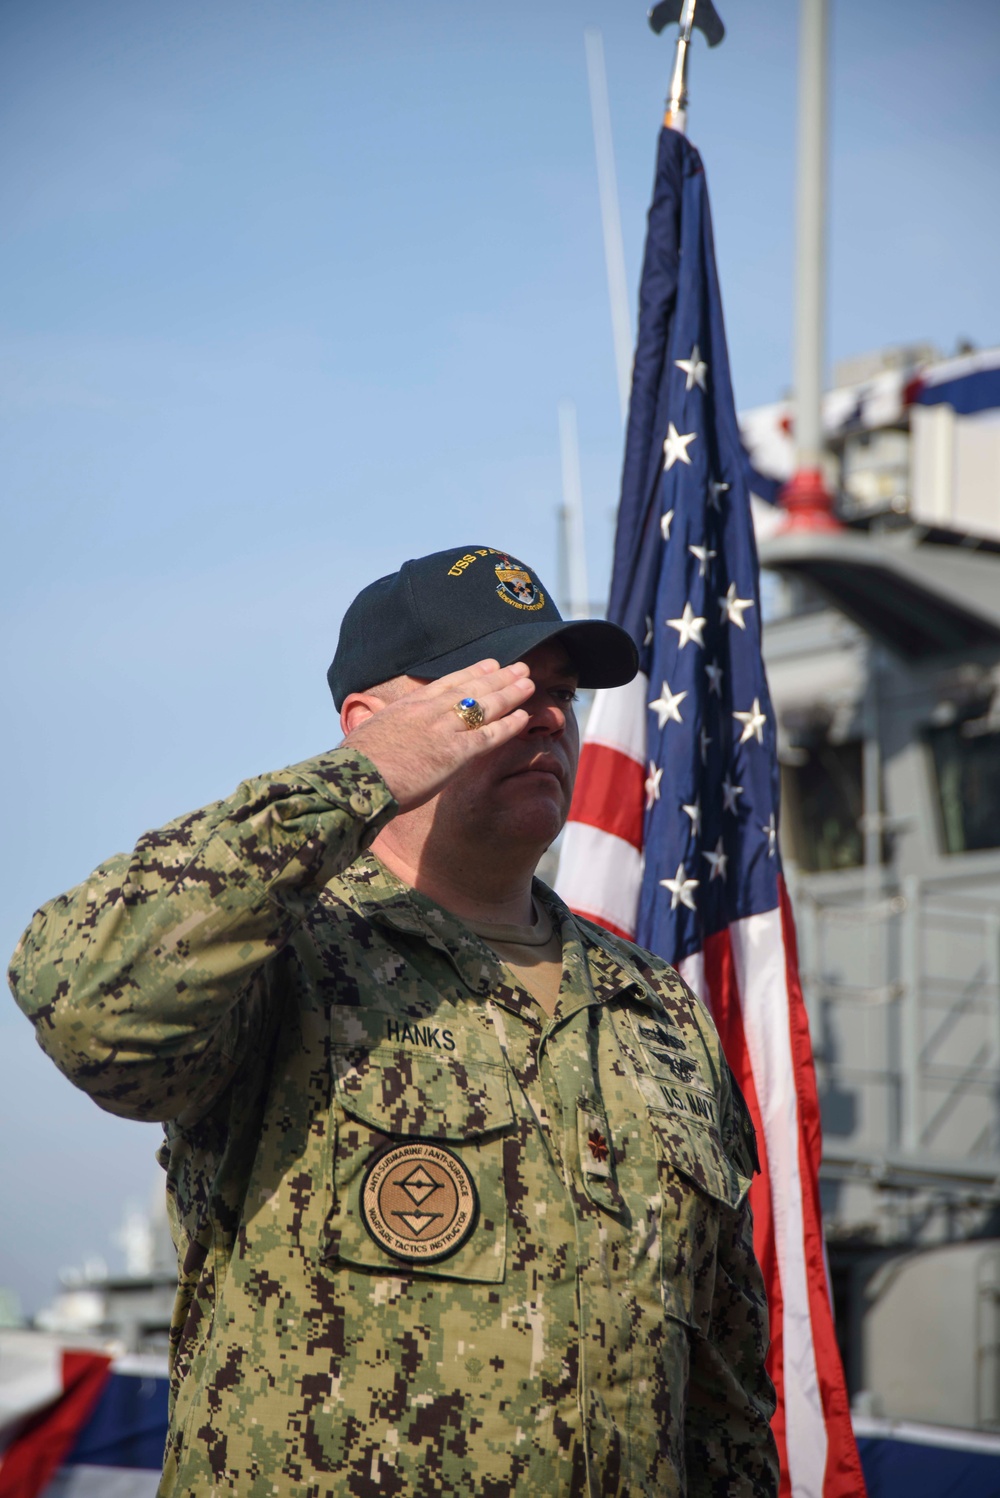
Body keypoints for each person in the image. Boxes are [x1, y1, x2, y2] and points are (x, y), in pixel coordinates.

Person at [9, 544, 778, 1497]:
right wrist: (359, 777)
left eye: (561, 693)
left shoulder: (655, 1010)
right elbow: (90, 1002)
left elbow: (726, 1398)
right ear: (371, 724)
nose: (542, 711)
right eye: (492, 687)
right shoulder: (285, 955)